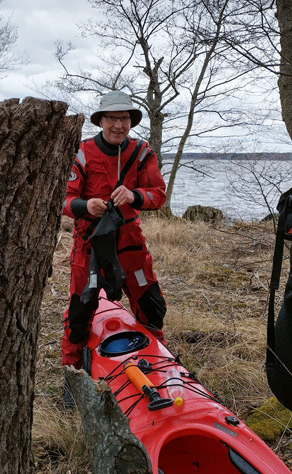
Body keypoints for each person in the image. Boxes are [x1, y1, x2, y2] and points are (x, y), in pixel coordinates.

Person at [61, 90, 167, 371]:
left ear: (131, 121)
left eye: (124, 119)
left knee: (151, 304)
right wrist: (86, 205)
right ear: (101, 120)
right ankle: (73, 371)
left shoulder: (142, 152)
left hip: (130, 243)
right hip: (89, 243)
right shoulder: (82, 153)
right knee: (80, 312)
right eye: (112, 119)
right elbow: (63, 199)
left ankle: (159, 363)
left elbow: (158, 195)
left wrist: (134, 196)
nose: (118, 125)